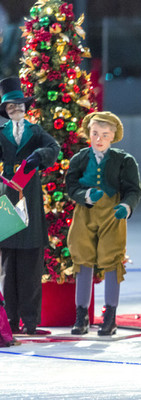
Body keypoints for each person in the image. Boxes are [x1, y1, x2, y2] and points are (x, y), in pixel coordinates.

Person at [66, 111, 141, 336]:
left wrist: (126, 206)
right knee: (83, 258)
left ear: (113, 136)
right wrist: (85, 195)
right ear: (88, 133)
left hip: (112, 214)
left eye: (105, 135)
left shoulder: (124, 160)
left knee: (112, 260)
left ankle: (110, 316)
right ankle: (82, 315)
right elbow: (71, 185)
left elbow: (133, 190)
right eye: (95, 133)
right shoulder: (80, 158)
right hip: (85, 213)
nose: (99, 139)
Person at [0, 76, 60, 335]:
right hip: (7, 197)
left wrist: (40, 157)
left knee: (31, 263)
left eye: (20, 106)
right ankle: (11, 319)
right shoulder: (1, 134)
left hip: (30, 196)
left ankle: (31, 319)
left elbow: (53, 147)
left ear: (26, 108)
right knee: (8, 266)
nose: (16, 110)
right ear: (6, 110)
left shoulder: (35, 132)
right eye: (11, 107)